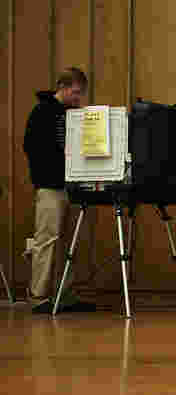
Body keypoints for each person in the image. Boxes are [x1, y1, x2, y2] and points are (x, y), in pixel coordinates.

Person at [23, 67, 96, 314]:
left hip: (70, 187)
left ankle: (64, 294)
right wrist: (57, 166)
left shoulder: (70, 114)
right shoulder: (42, 112)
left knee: (67, 242)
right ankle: (38, 297)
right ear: (63, 87)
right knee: (47, 240)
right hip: (50, 186)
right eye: (75, 93)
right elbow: (31, 147)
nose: (78, 98)